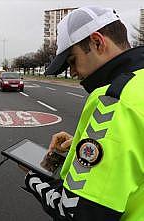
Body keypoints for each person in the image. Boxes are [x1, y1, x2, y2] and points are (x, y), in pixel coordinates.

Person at [21, 6, 144, 221]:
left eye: (72, 61)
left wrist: (33, 178)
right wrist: (81, 145)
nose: (74, 73)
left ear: (97, 42)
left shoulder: (114, 100)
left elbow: (75, 211)